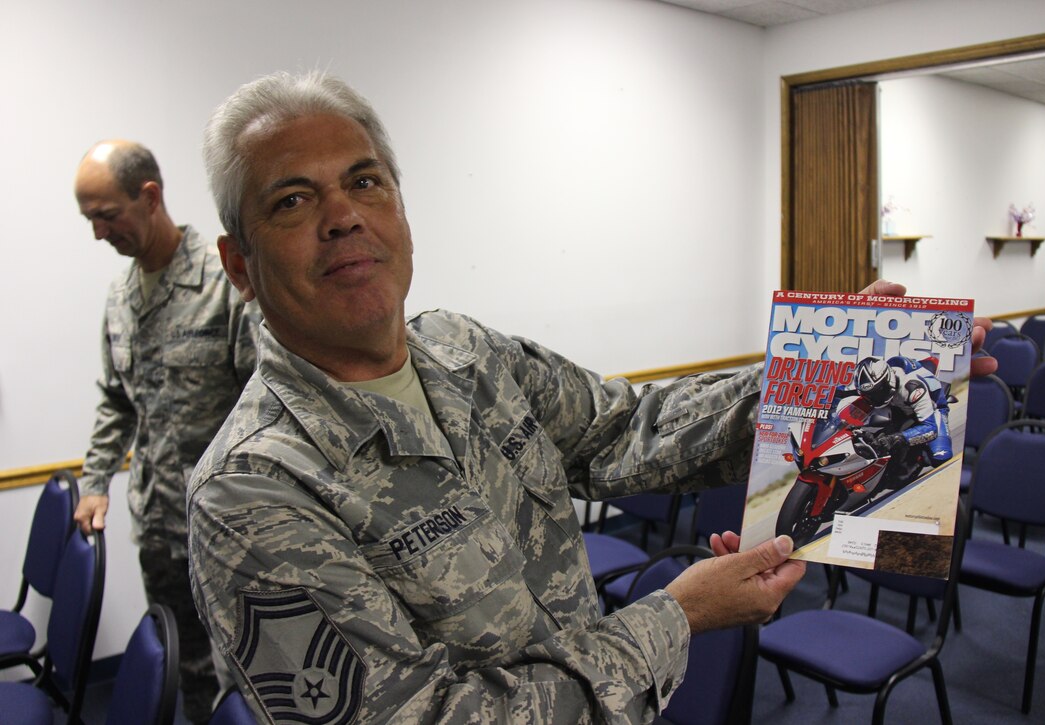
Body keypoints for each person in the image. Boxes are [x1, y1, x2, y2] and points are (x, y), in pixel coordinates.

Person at [187, 71, 994, 723]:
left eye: (365, 182)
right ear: (237, 262)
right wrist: (674, 616)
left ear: (399, 207)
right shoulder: (252, 489)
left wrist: (818, 380)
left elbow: (625, 430)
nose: (342, 217)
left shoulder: (461, 351)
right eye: (292, 200)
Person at [73, 140, 260, 724]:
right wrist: (95, 480)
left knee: (247, 670)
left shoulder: (223, 282)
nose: (99, 233)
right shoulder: (122, 298)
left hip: (227, 525)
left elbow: (268, 401)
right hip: (157, 521)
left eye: (107, 215)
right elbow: (115, 401)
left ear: (149, 197)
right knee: (186, 666)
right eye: (89, 220)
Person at [852, 355, 953, 464]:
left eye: (878, 391)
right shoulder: (879, 387)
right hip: (899, 406)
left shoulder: (912, 388)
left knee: (940, 457)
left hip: (934, 408)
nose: (874, 398)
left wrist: (894, 439)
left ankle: (919, 455)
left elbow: (931, 429)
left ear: (888, 380)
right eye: (869, 395)